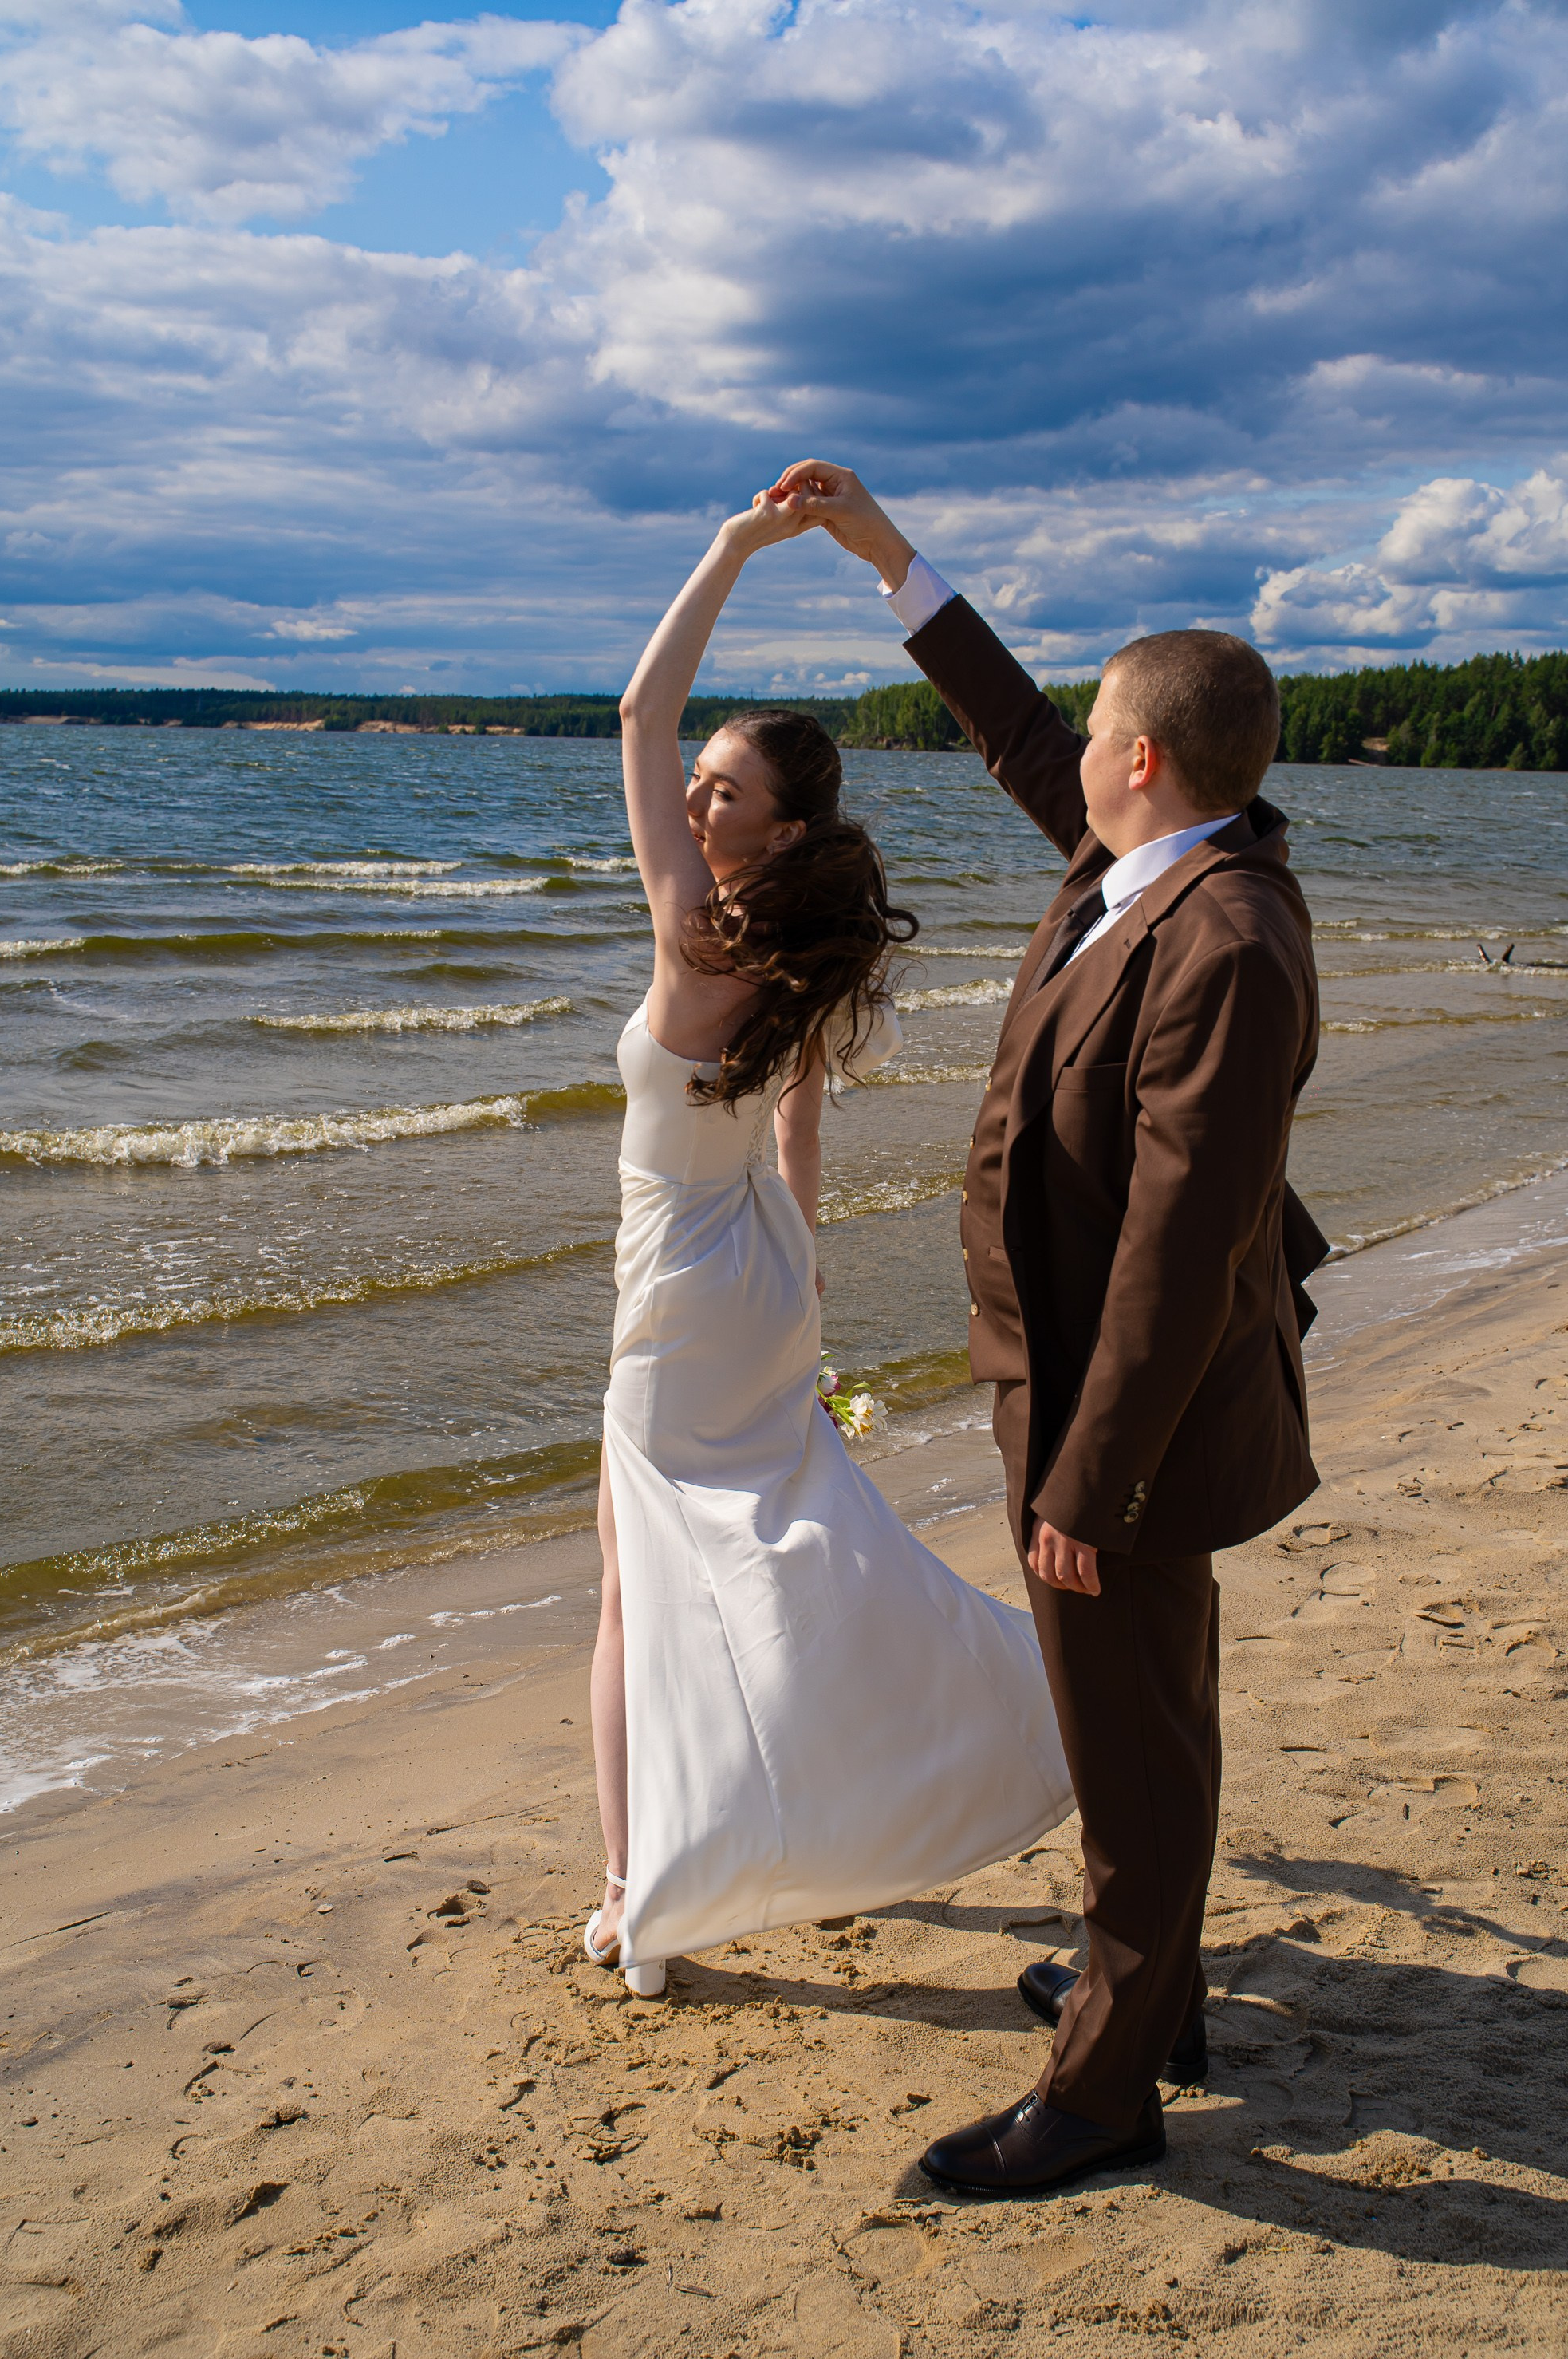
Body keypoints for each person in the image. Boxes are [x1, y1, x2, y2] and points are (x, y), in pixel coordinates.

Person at [763, 459, 1330, 2195]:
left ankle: (1104, 2092)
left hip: (1118, 1417)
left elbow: (1182, 1239)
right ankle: (1150, 1999)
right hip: (1068, 1394)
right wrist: (884, 560)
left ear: (1145, 756)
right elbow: (1013, 725)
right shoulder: (1136, 862)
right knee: (1142, 1712)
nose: (1071, 750)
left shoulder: (1224, 932)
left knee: (1133, 1732)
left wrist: (1089, 1483)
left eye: (1099, 730)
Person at [585, 491, 1073, 1999]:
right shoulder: (799, 956)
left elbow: (632, 707)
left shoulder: (696, 934)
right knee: (768, 1537)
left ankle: (634, 1898)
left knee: (635, 1592)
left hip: (679, 1291)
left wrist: (729, 551)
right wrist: (806, 1292)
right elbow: (796, 1142)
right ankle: (907, 1742)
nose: (696, 800)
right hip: (760, 1274)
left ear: (783, 830)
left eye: (723, 791)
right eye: (703, 785)